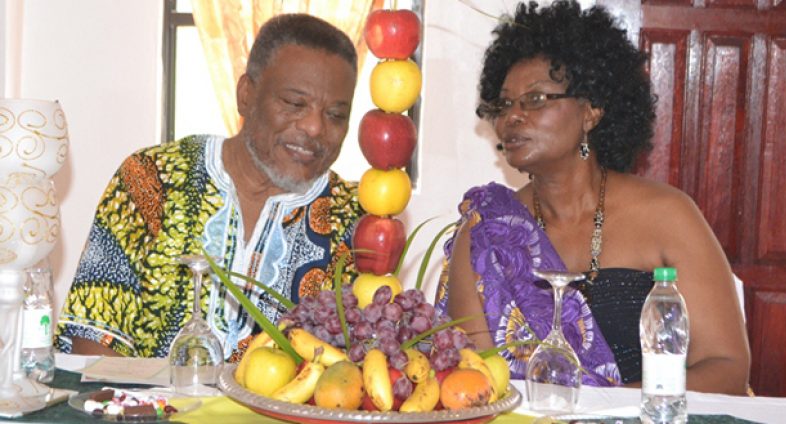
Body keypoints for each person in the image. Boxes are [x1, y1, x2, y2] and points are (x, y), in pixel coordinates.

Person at [435, 0, 749, 394]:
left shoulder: (667, 216)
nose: (511, 117)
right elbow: (474, 386)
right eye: (503, 104)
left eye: (534, 99)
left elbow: (726, 366)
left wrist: (604, 410)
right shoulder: (485, 234)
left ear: (591, 112)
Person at [56, 14, 363, 360]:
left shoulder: (356, 220)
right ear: (246, 95)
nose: (313, 127)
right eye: (295, 104)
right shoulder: (152, 178)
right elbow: (92, 337)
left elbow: (352, 376)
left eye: (335, 115)